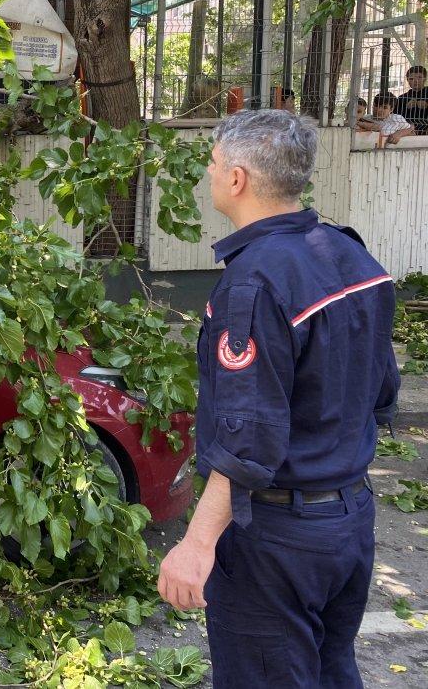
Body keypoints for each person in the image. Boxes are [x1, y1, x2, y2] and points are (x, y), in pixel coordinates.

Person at [157, 110, 399, 688]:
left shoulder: (254, 283)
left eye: (213, 163)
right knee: (331, 670)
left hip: (276, 541)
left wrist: (197, 543)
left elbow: (248, 439)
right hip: (349, 523)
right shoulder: (352, 256)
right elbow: (382, 391)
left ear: (237, 178)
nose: (210, 173)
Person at [394, 64, 428, 133]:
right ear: (407, 80)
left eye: (419, 77)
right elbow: (395, 118)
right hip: (407, 132)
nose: (416, 81)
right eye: (411, 79)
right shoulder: (402, 98)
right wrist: (406, 108)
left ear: (425, 78)